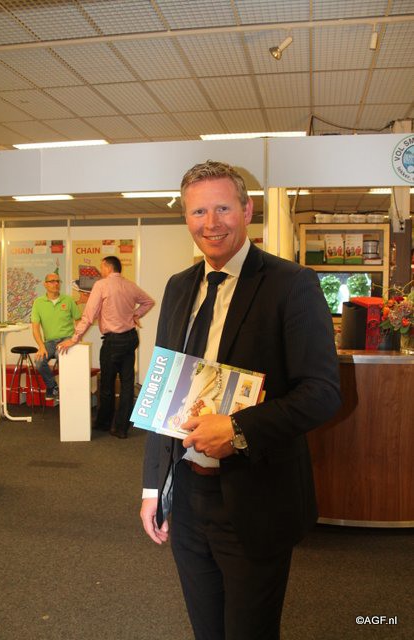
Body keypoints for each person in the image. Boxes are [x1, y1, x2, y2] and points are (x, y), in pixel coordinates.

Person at [140, 160, 341, 640]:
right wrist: (152, 488)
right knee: (206, 629)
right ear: (186, 217)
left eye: (223, 209)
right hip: (187, 496)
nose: (211, 223)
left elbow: (322, 393)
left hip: (255, 498)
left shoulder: (291, 283)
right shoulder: (178, 287)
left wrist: (237, 429)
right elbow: (163, 388)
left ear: (247, 210)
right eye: (198, 212)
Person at [58, 256, 154, 439]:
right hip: (130, 339)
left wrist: (75, 338)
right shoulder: (130, 285)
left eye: (101, 267)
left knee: (107, 384)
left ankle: (104, 423)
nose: (100, 270)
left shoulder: (101, 285)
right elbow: (149, 302)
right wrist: (135, 315)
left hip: (113, 343)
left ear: (108, 267)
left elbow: (89, 315)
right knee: (127, 384)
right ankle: (122, 428)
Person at [31, 273, 81, 401]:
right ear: (45, 284)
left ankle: (69, 390)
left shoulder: (68, 300)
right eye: (52, 281)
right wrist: (41, 346)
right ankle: (52, 386)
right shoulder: (38, 302)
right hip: (49, 342)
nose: (56, 284)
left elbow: (78, 320)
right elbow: (35, 328)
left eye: (58, 281)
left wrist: (75, 338)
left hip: (66, 339)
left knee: (62, 356)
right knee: (39, 361)